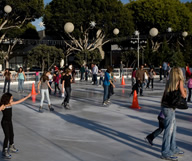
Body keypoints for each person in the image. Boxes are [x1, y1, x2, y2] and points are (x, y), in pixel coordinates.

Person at [161, 67, 187, 161]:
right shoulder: (179, 81)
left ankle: (173, 147)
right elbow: (184, 95)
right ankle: (165, 152)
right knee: (169, 131)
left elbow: (164, 95)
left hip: (166, 107)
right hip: (169, 108)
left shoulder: (169, 81)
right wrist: (184, 91)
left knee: (173, 129)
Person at [0, 92, 31, 159]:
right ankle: (4, 150)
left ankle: (11, 146)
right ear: (7, 99)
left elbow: (19, 101)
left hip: (9, 122)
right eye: (11, 98)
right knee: (7, 136)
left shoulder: (10, 104)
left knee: (12, 134)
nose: (12, 99)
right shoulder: (3, 106)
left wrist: (27, 96)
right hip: (4, 122)